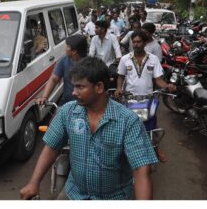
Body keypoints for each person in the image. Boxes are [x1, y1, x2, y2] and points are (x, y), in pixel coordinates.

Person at [20, 56, 159, 200]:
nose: (74, 92)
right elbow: (52, 147)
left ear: (99, 87)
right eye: (74, 86)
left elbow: (141, 170)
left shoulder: (128, 121)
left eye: (80, 87)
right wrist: (33, 183)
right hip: (74, 193)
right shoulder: (68, 112)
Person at [115, 30, 176, 163]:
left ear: (144, 43)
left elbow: (158, 80)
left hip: (148, 99)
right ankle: (122, 150)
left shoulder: (153, 59)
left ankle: (155, 149)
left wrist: (167, 86)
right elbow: (120, 76)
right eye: (134, 42)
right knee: (127, 127)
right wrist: (119, 88)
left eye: (139, 42)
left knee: (151, 126)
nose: (136, 44)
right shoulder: (125, 59)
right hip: (129, 99)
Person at [36, 34, 88, 106]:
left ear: (74, 51)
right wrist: (44, 97)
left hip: (85, 104)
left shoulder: (90, 64)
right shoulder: (64, 60)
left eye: (67, 46)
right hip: (66, 103)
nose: (65, 48)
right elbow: (54, 79)